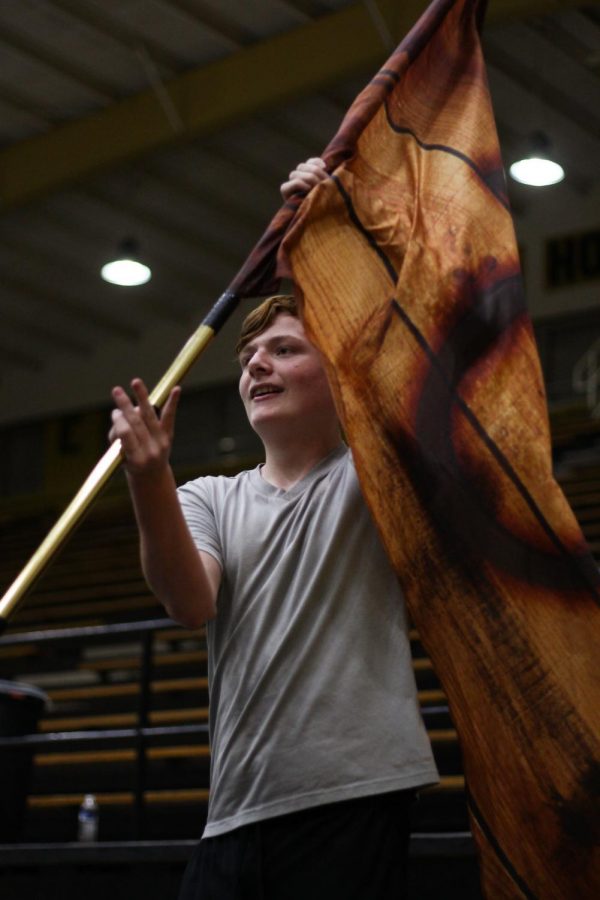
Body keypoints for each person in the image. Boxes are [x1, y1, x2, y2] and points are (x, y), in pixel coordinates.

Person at [109, 159, 438, 900]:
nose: (257, 361)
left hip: (354, 800)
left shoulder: (374, 473)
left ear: (339, 373)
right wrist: (147, 479)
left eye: (285, 349)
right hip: (234, 812)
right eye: (249, 355)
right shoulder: (206, 496)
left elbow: (409, 329)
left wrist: (328, 231)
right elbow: (190, 603)